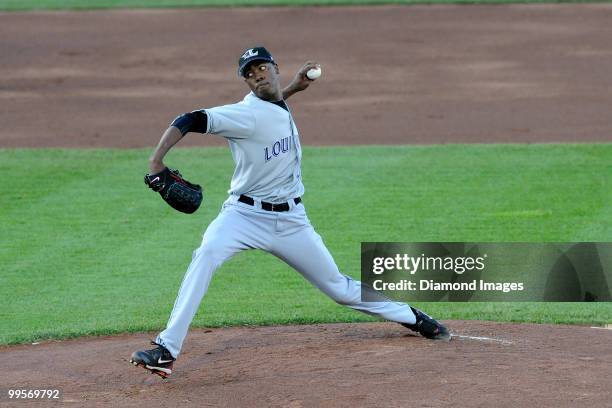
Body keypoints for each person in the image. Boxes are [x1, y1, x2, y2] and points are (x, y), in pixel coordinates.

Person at [130, 46, 450, 379]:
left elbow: (275, 104)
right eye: (250, 73)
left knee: (338, 288)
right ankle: (167, 349)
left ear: (274, 68)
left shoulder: (276, 101)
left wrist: (294, 87)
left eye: (262, 67)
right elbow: (190, 119)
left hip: (292, 222)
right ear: (246, 81)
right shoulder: (244, 114)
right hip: (243, 217)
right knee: (206, 254)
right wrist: (156, 162)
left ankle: (412, 317)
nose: (257, 75)